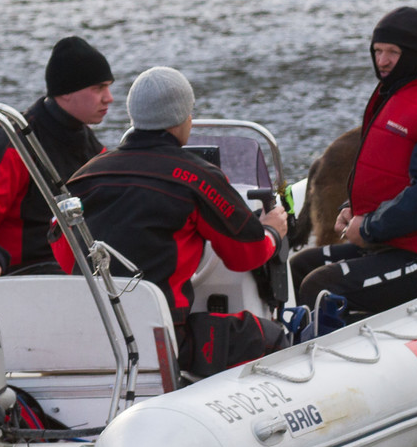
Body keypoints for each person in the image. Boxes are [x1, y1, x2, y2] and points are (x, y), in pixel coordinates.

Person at [54, 66, 291, 377]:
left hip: (91, 337)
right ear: (183, 117)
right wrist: (273, 229)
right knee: (269, 336)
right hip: (165, 340)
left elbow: (62, 250)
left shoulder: (85, 175)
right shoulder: (196, 176)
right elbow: (245, 254)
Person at [290, 6, 417, 320]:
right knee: (300, 264)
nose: (381, 61)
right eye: (377, 51)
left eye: (392, 52)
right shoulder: (401, 86)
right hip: (400, 239)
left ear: (414, 53)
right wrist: (354, 207)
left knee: (321, 285)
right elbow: (392, 172)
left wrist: (370, 226)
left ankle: (324, 356)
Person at [0, 36, 114, 278]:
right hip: (17, 276)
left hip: (78, 279)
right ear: (66, 93)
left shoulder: (96, 152)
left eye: (108, 87)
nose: (109, 97)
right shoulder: (11, 143)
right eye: (98, 88)